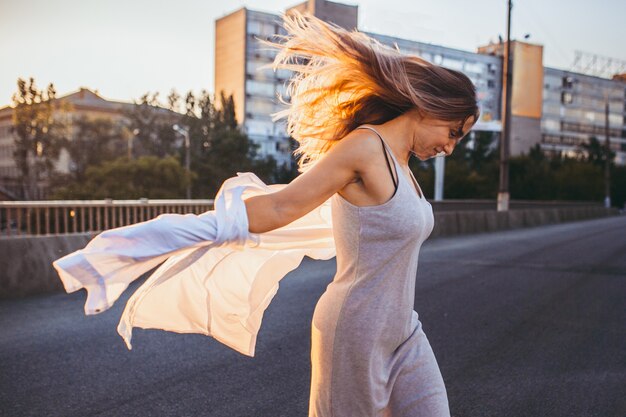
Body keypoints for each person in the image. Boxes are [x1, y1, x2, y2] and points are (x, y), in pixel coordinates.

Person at [243, 12, 479, 417]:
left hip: (403, 330)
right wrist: (197, 226)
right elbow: (282, 206)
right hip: (356, 332)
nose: (450, 147)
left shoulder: (403, 167)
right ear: (429, 105)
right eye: (453, 132)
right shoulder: (365, 149)